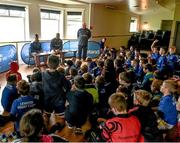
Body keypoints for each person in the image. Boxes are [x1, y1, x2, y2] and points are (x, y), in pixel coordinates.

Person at [41, 55, 70, 127]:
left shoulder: (43, 74)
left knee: (46, 116)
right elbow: (67, 87)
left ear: (47, 63)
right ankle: (59, 127)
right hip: (59, 101)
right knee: (62, 118)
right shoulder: (61, 76)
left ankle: (46, 129)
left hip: (47, 100)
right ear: (58, 64)